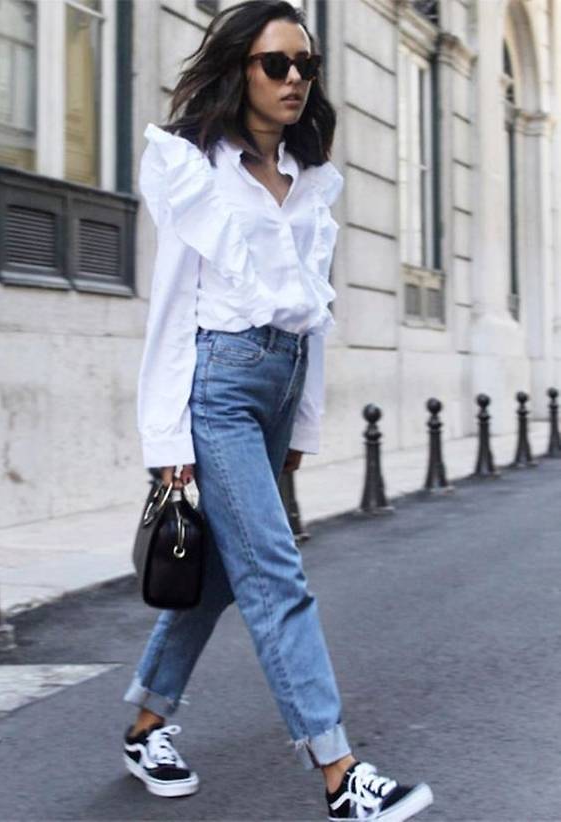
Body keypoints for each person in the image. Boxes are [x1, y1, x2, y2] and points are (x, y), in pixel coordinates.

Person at [122, 2, 434, 819]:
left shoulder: (309, 177)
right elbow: (171, 309)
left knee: (227, 573)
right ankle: (340, 772)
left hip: (280, 383)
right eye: (276, 64)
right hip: (219, 387)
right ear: (240, 69)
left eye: (306, 65)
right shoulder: (195, 168)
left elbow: (313, 312)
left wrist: (304, 421)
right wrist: (166, 437)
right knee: (274, 572)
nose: (294, 78)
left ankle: (146, 721)